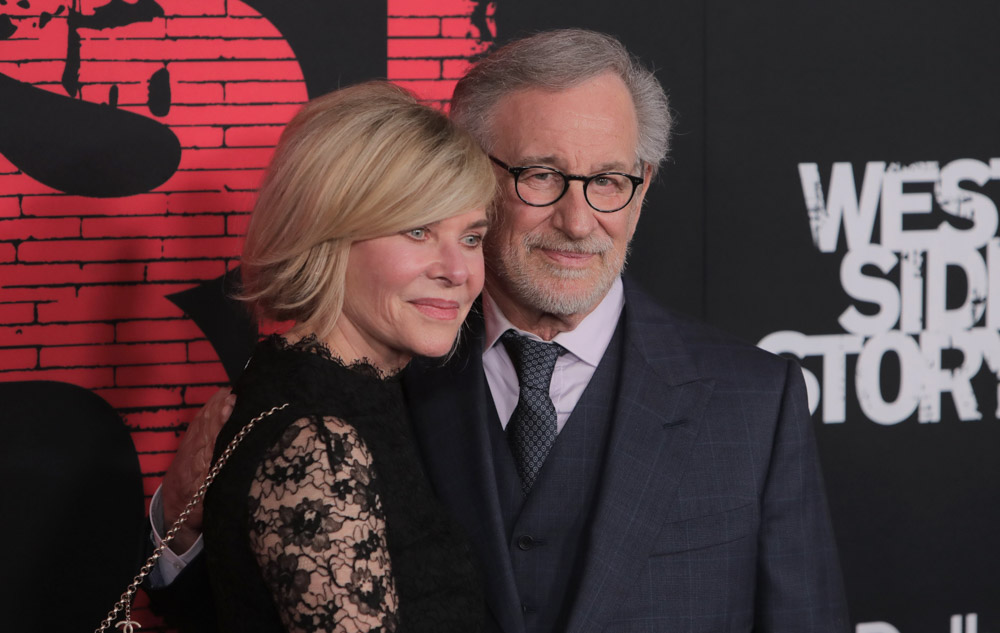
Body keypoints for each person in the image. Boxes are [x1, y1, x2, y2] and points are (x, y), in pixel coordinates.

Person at [152, 29, 849, 633]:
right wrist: (181, 524)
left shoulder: (752, 400)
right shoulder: (373, 364)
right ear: (471, 176)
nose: (579, 222)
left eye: (608, 180)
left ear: (644, 181)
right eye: (541, 175)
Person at [152, 80, 496, 633]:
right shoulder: (319, 443)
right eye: (417, 231)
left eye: (472, 238)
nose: (458, 272)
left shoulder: (344, 390)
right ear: (327, 234)